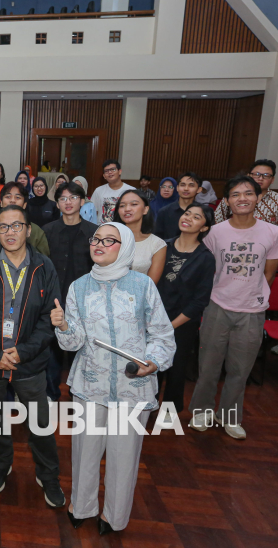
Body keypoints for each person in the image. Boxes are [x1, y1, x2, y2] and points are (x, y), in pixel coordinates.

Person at [52, 222, 176, 534]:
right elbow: (74, 343)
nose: (100, 244)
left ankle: (114, 517)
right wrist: (63, 327)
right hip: (90, 383)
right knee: (85, 451)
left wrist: (153, 362)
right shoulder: (79, 287)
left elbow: (162, 335)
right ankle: (82, 506)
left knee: (124, 456)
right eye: (96, 239)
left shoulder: (142, 285)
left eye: (110, 240)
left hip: (132, 386)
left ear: (126, 248)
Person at [0, 205, 65, 506]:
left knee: (40, 424)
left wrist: (22, 352)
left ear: (28, 230)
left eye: (17, 226)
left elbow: (50, 317)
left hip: (30, 362)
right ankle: (0, 465)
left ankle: (49, 476)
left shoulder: (44, 267)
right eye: (4, 227)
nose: (10, 232)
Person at [189, 175, 278, 440]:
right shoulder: (215, 232)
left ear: (258, 197)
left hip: (252, 310)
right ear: (227, 201)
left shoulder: (273, 233)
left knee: (240, 370)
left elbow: (269, 274)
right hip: (217, 306)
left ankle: (229, 416)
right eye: (235, 194)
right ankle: (202, 411)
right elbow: (207, 270)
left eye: (248, 193)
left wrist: (251, 295)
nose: (242, 198)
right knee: (208, 366)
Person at [155, 203, 215, 422]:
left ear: (204, 227)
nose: (188, 218)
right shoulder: (162, 246)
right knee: (151, 365)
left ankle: (169, 412)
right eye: (187, 213)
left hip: (182, 323)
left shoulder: (205, 258)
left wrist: (170, 326)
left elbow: (200, 301)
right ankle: (147, 406)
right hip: (155, 318)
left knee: (176, 368)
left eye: (196, 217)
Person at [42, 181, 98, 401]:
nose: (68, 202)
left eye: (73, 198)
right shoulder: (48, 231)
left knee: (82, 349)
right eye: (63, 198)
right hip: (53, 299)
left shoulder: (94, 232)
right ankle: (51, 393)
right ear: (57, 203)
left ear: (82, 202)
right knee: (52, 350)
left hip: (86, 300)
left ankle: (81, 394)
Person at [215, 159, 278, 245]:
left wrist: (275, 250)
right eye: (256, 174)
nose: (260, 178)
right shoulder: (233, 197)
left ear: (272, 179)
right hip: (232, 245)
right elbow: (217, 222)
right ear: (249, 176)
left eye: (266, 175)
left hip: (267, 247)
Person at [113, 190, 166, 283]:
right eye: (122, 206)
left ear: (145, 209)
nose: (127, 209)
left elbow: (151, 284)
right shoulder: (108, 238)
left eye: (134, 204)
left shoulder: (157, 244)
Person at [0, 182, 50, 255]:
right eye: (8, 197)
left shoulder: (35, 231)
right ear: (1, 203)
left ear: (24, 205)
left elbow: (43, 258)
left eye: (17, 197)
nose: (12, 200)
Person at [154, 173, 200, 240]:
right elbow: (158, 237)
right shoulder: (164, 211)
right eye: (182, 185)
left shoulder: (204, 211)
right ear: (177, 188)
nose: (186, 189)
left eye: (191, 185)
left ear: (199, 189)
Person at [90, 159, 135, 223]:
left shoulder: (131, 191)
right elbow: (93, 212)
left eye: (113, 169)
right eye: (106, 171)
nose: (110, 172)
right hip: (102, 227)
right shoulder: (98, 191)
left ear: (120, 171)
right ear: (104, 176)